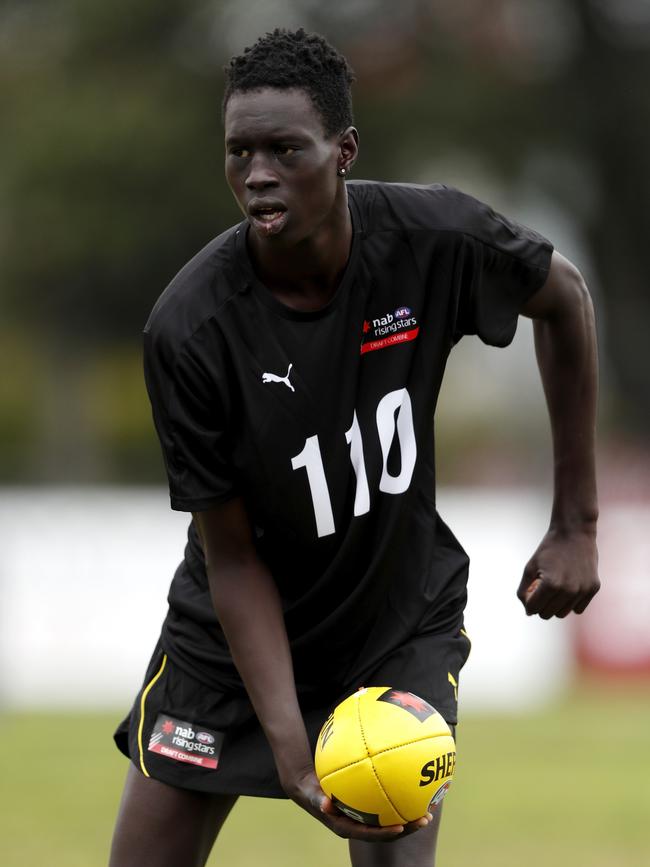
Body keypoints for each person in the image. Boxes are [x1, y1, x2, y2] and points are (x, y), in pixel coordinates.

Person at [109, 28, 600, 867]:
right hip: (230, 647)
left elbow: (564, 298)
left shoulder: (431, 236)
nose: (257, 172)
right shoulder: (189, 328)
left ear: (344, 151)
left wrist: (576, 522)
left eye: (284, 149)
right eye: (239, 151)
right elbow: (232, 561)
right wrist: (295, 753)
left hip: (394, 622)